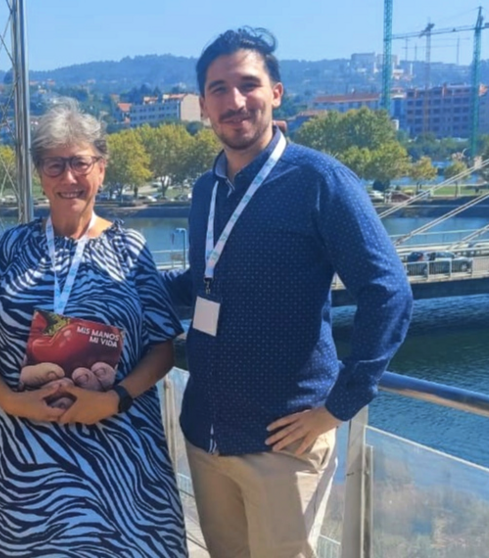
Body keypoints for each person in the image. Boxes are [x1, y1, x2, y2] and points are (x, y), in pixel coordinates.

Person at [164, 28, 413, 558]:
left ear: (276, 92)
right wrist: (115, 288)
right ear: (203, 105)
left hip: (283, 443)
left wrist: (339, 406)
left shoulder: (319, 180)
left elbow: (387, 291)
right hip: (205, 435)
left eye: (247, 84)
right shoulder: (207, 189)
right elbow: (200, 283)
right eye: (218, 89)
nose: (234, 101)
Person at [0, 99, 188, 557]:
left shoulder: (130, 249)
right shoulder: (12, 247)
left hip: (118, 462)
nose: (68, 178)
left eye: (80, 163)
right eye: (54, 165)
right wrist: (9, 400)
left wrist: (112, 399)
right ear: (39, 174)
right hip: (21, 465)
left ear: (101, 169)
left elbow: (163, 346)